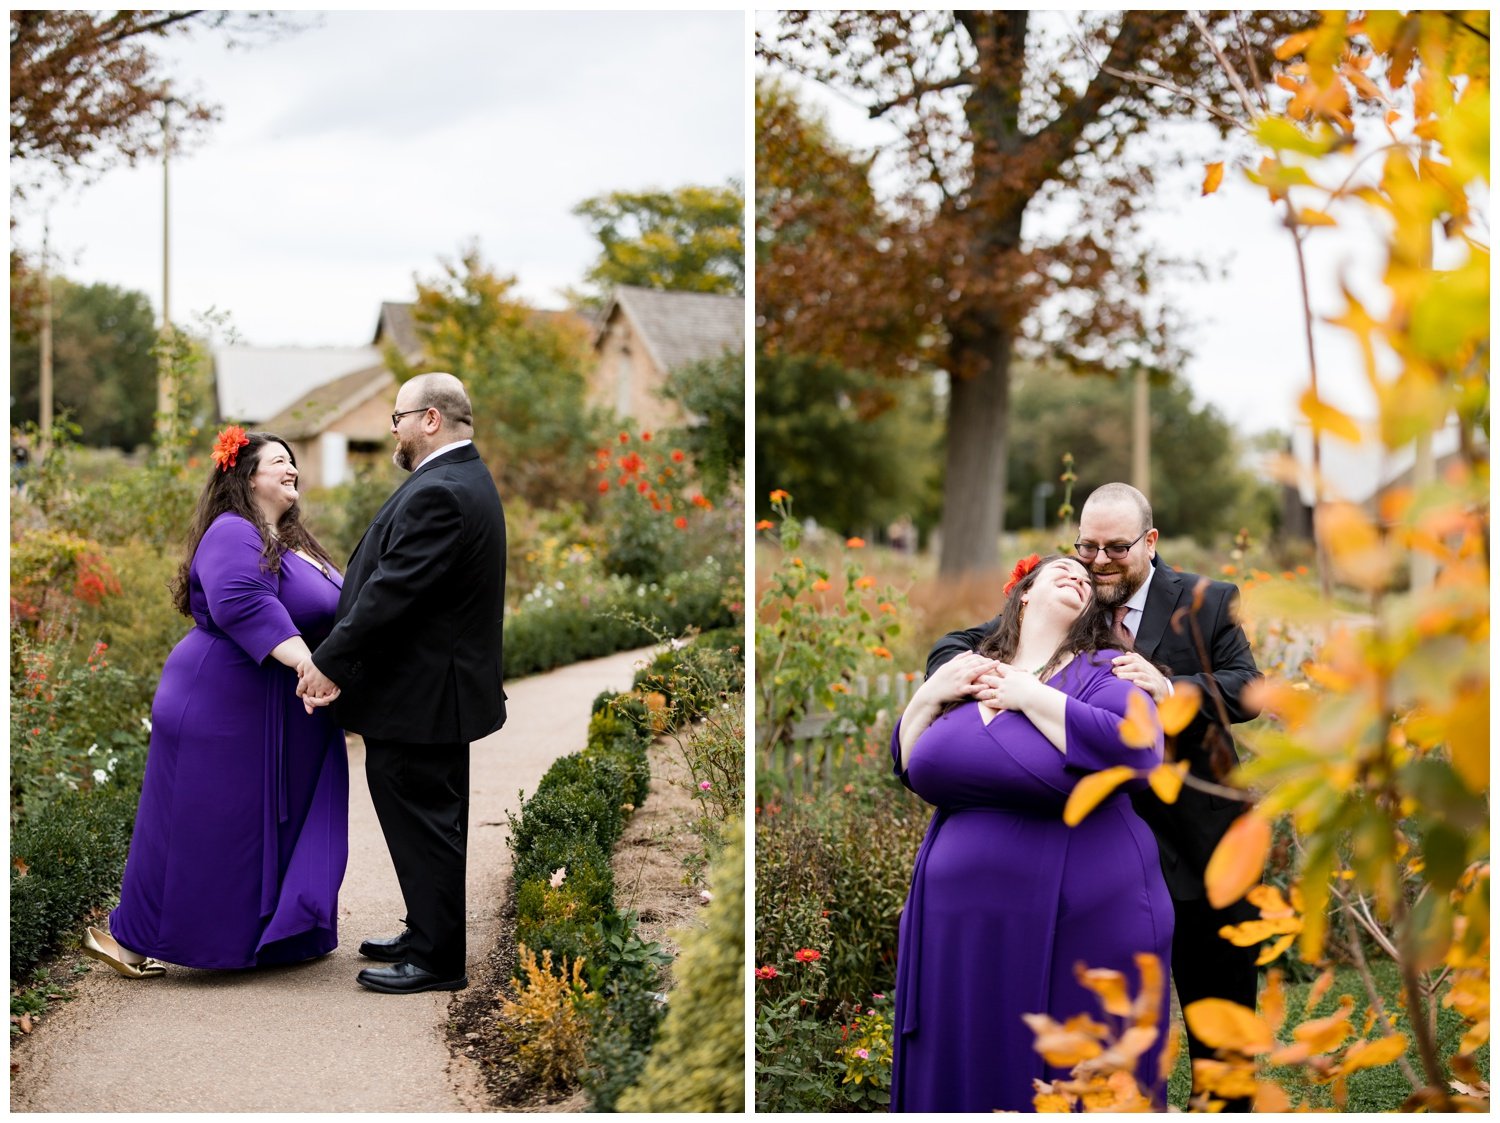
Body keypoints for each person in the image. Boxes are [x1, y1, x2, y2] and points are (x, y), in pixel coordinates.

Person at [930, 482, 1263, 1109]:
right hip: (1094, 852)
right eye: (1088, 546)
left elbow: (1248, 688)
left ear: (1151, 541)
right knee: (1109, 1026)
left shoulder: (1208, 601)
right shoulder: (1070, 599)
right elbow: (958, 643)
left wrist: (1171, 690)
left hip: (1200, 843)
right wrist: (964, 680)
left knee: (1220, 1028)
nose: (1100, 560)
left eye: (1116, 548)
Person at [892, 553, 1173, 1111]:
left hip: (1082, 917)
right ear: (1023, 593)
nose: (1077, 575)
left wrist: (1030, 696)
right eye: (1059, 570)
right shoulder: (968, 672)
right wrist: (926, 696)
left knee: (1067, 1070)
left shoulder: (1104, 669)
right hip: (958, 928)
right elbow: (913, 766)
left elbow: (1137, 749)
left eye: (1086, 580)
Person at [85, 429, 348, 978]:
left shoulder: (296, 542)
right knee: (208, 823)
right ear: (247, 476)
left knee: (264, 821)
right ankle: (132, 939)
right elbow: (242, 602)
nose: (292, 468)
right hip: (220, 698)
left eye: (293, 462)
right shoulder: (232, 532)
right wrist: (307, 664)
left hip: (273, 702)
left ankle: (268, 939)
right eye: (280, 461)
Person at [297, 372, 506, 996]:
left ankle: (438, 959)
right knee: (430, 818)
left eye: (397, 418)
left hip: (423, 698)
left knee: (424, 820)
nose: (392, 429)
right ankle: (425, 931)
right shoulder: (460, 479)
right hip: (432, 693)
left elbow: (393, 592)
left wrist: (328, 660)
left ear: (430, 419)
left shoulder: (441, 490)